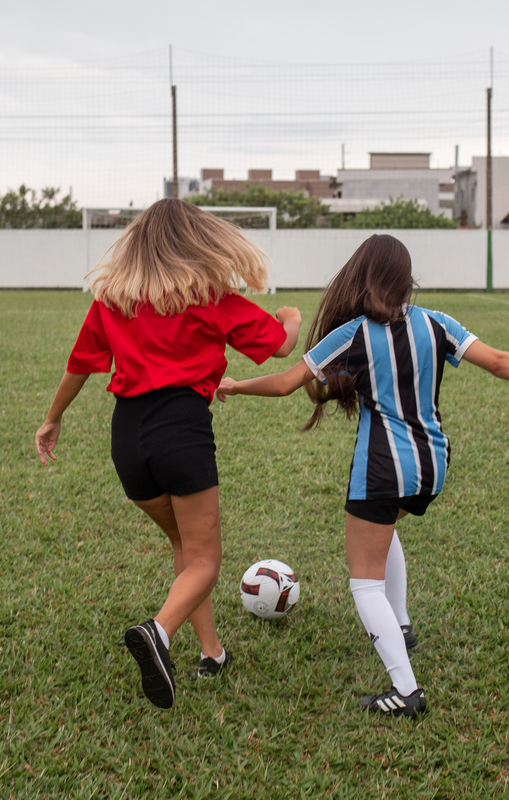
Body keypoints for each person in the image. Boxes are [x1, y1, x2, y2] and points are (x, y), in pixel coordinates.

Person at [217, 234, 509, 718]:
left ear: (360, 275)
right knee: (385, 528)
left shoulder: (353, 333)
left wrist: (235, 384)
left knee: (363, 585)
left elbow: (286, 384)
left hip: (382, 467)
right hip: (432, 465)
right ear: (406, 279)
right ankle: (400, 626)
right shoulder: (436, 324)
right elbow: (500, 362)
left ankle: (406, 692)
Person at [35, 198, 301, 710]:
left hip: (127, 437)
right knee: (206, 558)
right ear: (198, 239)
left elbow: (80, 364)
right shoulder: (209, 295)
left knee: (184, 544)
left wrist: (53, 419)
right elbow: (281, 346)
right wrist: (289, 317)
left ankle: (212, 653)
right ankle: (157, 633)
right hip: (180, 427)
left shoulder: (114, 299)